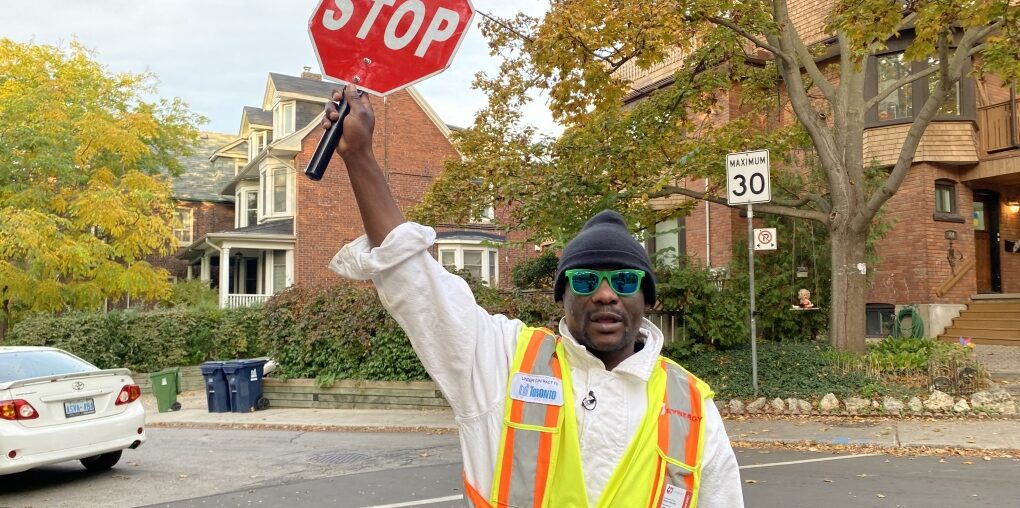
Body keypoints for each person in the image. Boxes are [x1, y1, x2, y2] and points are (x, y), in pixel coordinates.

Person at [323, 86, 743, 507]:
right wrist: (360, 158)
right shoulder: (503, 361)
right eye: (583, 281)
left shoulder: (691, 406)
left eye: (625, 281)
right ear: (562, 297)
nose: (604, 294)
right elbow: (417, 284)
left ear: (647, 300)